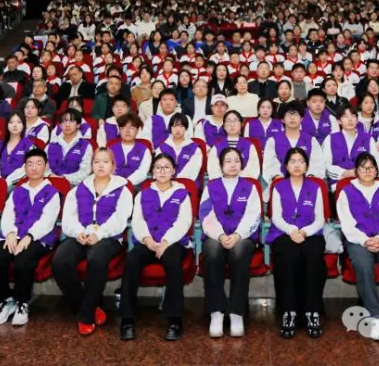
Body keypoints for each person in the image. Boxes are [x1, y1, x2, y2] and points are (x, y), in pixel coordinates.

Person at [53, 147, 132, 335]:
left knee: (96, 259)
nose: (101, 165)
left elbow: (120, 220)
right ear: (91, 165)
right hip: (81, 234)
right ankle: (88, 305)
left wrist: (100, 233)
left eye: (105, 161)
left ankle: (86, 316)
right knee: (59, 261)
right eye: (96, 162)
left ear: (113, 165)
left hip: (108, 237)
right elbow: (68, 219)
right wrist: (78, 232)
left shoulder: (123, 189)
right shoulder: (78, 189)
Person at [119, 152, 192, 342]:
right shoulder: (143, 194)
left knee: (173, 262)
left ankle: (175, 320)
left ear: (173, 171)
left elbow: (184, 222)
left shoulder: (182, 194)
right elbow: (138, 220)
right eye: (158, 167)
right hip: (148, 241)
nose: (162, 171)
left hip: (173, 243)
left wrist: (166, 242)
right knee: (132, 259)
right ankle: (127, 319)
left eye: (166, 167)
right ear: (152, 171)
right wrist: (146, 239)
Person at [0, 148, 62, 328]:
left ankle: (22, 302)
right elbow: (8, 214)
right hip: (12, 235)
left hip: (38, 238)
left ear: (46, 166)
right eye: (30, 164)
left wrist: (29, 236)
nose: (34, 168)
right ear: (25, 167)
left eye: (38, 164)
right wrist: (10, 233)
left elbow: (48, 221)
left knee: (23, 260)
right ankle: (6, 300)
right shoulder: (17, 191)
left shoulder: (52, 192)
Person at [337, 152, 379, 342]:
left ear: (376, 170)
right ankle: (375, 317)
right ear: (356, 171)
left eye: (371, 167)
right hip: (358, 241)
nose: (367, 171)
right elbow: (347, 224)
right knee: (363, 265)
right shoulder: (346, 192)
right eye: (363, 167)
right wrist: (365, 240)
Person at [200, 146, 261, 338]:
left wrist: (237, 235)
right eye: (228, 161)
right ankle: (216, 312)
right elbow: (205, 214)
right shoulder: (211, 186)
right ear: (220, 165)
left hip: (242, 236)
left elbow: (254, 215)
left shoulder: (250, 187)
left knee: (240, 253)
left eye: (236, 161)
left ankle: (236, 312)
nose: (232, 164)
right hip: (215, 235)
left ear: (242, 164)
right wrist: (219, 235)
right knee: (211, 253)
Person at [268, 147, 325, 339]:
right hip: (284, 232)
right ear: (286, 166)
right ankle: (288, 311)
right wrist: (292, 231)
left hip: (310, 232)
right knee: (288, 256)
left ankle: (312, 311)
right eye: (293, 161)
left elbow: (320, 218)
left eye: (301, 161)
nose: (297, 165)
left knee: (313, 256)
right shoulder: (278, 187)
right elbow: (275, 216)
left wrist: (304, 232)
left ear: (307, 165)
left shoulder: (316, 187)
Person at [262, 102, 326, 184]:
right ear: (282, 119)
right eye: (288, 115)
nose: (292, 118)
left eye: (295, 114)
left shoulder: (311, 140)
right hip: (280, 183)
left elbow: (317, 163)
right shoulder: (272, 141)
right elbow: (269, 165)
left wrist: (310, 178)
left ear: (301, 118)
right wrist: (278, 178)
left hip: (307, 183)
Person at [205, 109, 261, 181]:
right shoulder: (217, 146)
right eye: (228, 121)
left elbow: (253, 169)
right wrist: (226, 181)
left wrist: (237, 181)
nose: (232, 125)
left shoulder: (249, 145)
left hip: (244, 184)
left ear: (241, 124)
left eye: (235, 121)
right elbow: (213, 170)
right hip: (222, 184)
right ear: (224, 126)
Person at [323, 107, 373, 187]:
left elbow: (378, 162)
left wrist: (360, 172)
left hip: (364, 181)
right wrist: (344, 172)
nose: (350, 119)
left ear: (357, 120)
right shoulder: (330, 139)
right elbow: (325, 164)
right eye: (345, 116)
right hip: (339, 181)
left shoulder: (368, 139)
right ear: (339, 121)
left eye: (353, 116)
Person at [0, 113, 38, 185]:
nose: (15, 125)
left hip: (19, 184)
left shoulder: (29, 145)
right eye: (11, 122)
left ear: (23, 126)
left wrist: (8, 182)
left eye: (19, 122)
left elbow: (28, 167)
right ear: (7, 125)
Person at [47, 109, 93, 185]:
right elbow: (43, 166)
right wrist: (50, 175)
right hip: (50, 183)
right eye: (64, 121)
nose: (67, 125)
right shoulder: (51, 145)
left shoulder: (85, 146)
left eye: (71, 121)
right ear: (60, 125)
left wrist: (64, 178)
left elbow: (85, 172)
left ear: (78, 125)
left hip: (74, 186)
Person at [108, 113, 151, 186]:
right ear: (120, 130)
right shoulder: (110, 149)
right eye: (124, 127)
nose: (127, 131)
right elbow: (107, 169)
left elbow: (142, 172)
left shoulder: (145, 150)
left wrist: (126, 183)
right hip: (112, 184)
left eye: (132, 127)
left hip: (135, 186)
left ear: (137, 130)